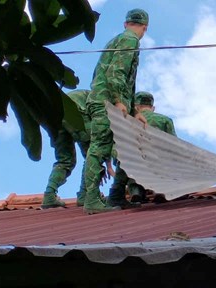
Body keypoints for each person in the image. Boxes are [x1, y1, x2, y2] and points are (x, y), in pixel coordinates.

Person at [83, 9, 149, 214]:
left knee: (117, 147)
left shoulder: (118, 39)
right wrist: (118, 101)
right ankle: (92, 200)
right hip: (106, 102)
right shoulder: (130, 40)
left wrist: (132, 110)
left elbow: (123, 79)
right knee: (100, 147)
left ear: (125, 23)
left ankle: (116, 196)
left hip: (103, 99)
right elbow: (117, 73)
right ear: (145, 28)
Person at [107, 91, 177, 206]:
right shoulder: (165, 120)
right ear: (153, 107)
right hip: (158, 162)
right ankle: (160, 191)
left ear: (135, 107)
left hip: (133, 163)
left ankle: (136, 191)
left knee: (129, 157)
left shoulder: (128, 119)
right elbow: (174, 145)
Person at [41, 90, 91, 209]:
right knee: (92, 154)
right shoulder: (109, 101)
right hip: (75, 111)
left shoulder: (86, 94)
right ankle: (85, 195)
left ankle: (49, 195)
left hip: (53, 115)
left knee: (64, 160)